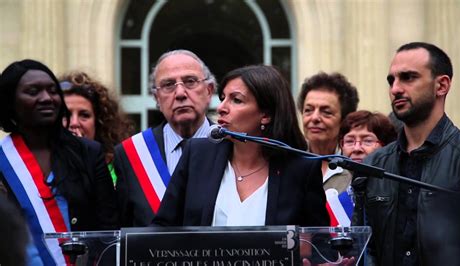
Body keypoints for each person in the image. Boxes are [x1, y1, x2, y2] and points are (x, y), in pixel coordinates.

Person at [152, 65, 329, 227]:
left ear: (265, 115)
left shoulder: (301, 169)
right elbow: (162, 226)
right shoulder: (197, 155)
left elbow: (318, 242)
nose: (221, 107)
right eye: (222, 98)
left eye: (236, 100)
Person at [352, 42, 460, 265]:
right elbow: (362, 249)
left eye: (408, 77)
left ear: (441, 85)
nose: (395, 88)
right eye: (392, 80)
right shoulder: (373, 164)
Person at [0, 59, 119, 265]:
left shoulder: (88, 153)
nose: (46, 98)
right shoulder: (3, 159)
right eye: (33, 91)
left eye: (52, 90)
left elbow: (109, 230)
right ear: (11, 102)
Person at [114, 50, 216, 226]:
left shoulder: (232, 145)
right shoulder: (132, 153)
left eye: (190, 82)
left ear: (209, 91)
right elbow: (123, 232)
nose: (180, 93)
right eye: (168, 85)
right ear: (157, 99)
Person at [297, 72, 359, 223]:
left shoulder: (354, 171)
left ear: (344, 120)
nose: (315, 118)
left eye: (326, 112)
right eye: (308, 110)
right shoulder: (289, 166)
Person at [59, 71, 134, 184]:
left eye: (84, 115)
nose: (74, 123)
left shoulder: (117, 168)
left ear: (98, 122)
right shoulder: (42, 165)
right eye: (65, 115)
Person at [325, 110, 397, 227]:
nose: (356, 148)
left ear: (387, 147)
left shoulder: (396, 194)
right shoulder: (335, 203)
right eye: (349, 141)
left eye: (367, 141)